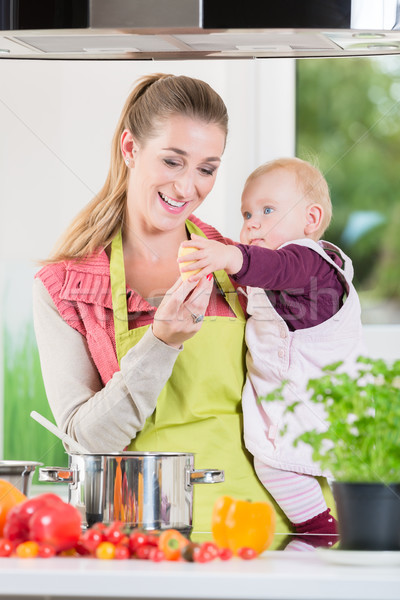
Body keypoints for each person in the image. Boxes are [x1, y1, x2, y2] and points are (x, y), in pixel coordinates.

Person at [33, 74, 336, 537]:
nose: (187, 186)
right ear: (130, 149)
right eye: (173, 161)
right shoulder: (66, 287)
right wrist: (160, 343)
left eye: (206, 168)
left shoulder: (242, 265)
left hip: (273, 538)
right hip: (146, 544)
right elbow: (86, 442)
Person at [178, 157, 366, 535]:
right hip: (291, 393)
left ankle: (318, 530)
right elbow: (259, 279)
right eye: (246, 213)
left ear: (310, 220)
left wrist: (230, 256)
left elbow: (276, 268)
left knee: (277, 461)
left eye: (268, 210)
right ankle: (320, 528)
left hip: (312, 400)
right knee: (275, 461)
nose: (253, 223)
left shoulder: (312, 264)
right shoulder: (275, 270)